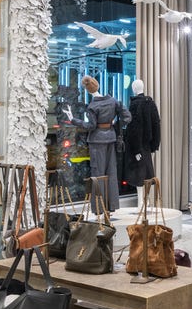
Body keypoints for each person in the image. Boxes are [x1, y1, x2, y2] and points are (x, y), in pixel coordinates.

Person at [64, 76, 130, 212]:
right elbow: (127, 117)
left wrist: (73, 120)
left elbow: (91, 126)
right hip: (110, 139)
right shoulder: (113, 101)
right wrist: (114, 126)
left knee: (98, 173)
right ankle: (112, 206)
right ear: (98, 86)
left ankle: (99, 208)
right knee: (111, 172)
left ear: (87, 90)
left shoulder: (93, 106)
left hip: (97, 142)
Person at [124, 79, 161, 199]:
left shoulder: (135, 104)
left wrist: (136, 150)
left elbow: (134, 129)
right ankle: (145, 203)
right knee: (146, 174)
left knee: (139, 175)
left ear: (134, 89)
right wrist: (155, 145)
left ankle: (142, 203)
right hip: (147, 145)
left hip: (138, 146)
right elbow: (157, 125)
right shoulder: (150, 103)